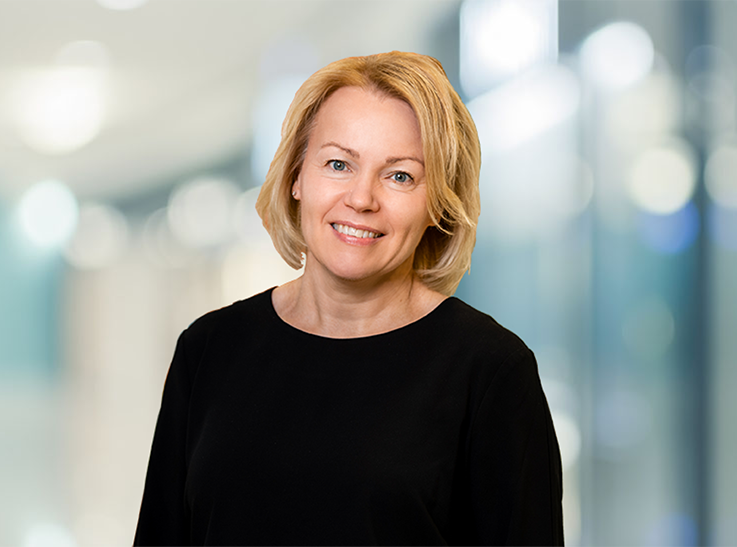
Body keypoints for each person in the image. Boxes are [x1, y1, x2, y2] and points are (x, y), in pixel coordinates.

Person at [134, 51, 564, 546]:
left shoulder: (491, 371)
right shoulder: (209, 348)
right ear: (296, 177)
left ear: (438, 205)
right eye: (338, 164)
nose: (361, 198)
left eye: (399, 175)